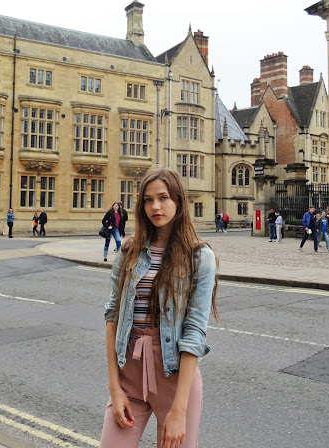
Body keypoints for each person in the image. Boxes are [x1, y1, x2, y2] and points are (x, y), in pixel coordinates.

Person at [100, 166, 218, 448]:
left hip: (175, 380)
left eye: (163, 197)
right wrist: (115, 389)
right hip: (129, 375)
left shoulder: (199, 256)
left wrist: (179, 410)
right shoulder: (129, 251)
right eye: (148, 200)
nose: (155, 206)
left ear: (178, 201)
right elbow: (112, 317)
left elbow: (194, 332)